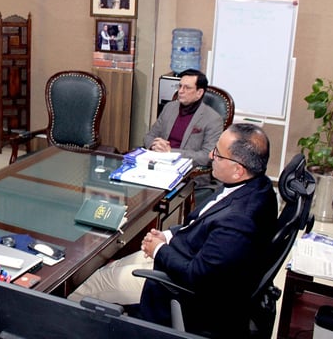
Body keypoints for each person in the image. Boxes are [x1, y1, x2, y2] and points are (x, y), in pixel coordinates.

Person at [69, 123, 278, 337]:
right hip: (180, 252)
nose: (210, 155)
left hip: (176, 287)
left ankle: (57, 327)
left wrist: (159, 249)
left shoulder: (239, 221)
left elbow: (197, 276)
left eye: (218, 154)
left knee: (88, 287)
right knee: (98, 271)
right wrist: (169, 235)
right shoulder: (258, 186)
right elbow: (201, 221)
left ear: (238, 169)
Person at [144, 69, 223, 169]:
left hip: (188, 170)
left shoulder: (213, 119)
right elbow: (150, 136)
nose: (180, 91)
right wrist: (154, 145)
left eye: (187, 88)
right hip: (158, 162)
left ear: (199, 93)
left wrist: (170, 152)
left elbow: (207, 155)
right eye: (180, 86)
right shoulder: (169, 107)